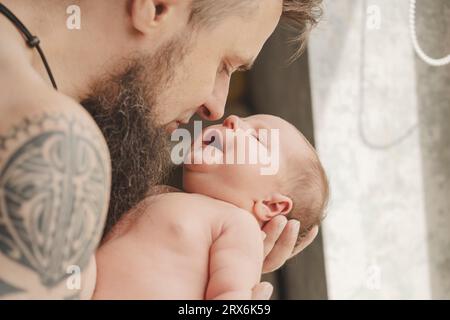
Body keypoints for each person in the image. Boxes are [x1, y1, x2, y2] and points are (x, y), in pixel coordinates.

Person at [0, 0, 322, 299]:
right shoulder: (53, 144)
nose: (216, 108)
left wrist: (198, 264)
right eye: (224, 64)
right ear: (157, 7)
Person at [93, 114, 329, 299]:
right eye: (242, 119)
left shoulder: (239, 227)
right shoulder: (159, 192)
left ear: (271, 204)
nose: (232, 120)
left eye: (258, 137)